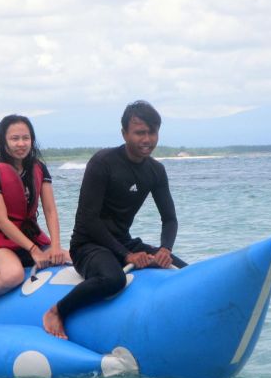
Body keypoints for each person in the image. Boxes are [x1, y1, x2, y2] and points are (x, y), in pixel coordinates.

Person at [43, 100, 187, 339]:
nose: (147, 139)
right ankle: (57, 311)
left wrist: (165, 248)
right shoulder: (103, 162)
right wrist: (126, 255)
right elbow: (89, 220)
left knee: (183, 271)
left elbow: (169, 219)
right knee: (113, 280)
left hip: (122, 241)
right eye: (140, 133)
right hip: (88, 245)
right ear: (124, 133)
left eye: (152, 132)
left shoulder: (155, 171)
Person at [0, 115, 69, 324]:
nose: (21, 144)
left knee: (70, 256)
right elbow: (1, 221)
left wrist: (55, 246)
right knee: (12, 274)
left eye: (25, 138)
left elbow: (50, 210)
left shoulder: (38, 168)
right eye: (15, 138)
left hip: (29, 236)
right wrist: (33, 250)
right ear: (4, 141)